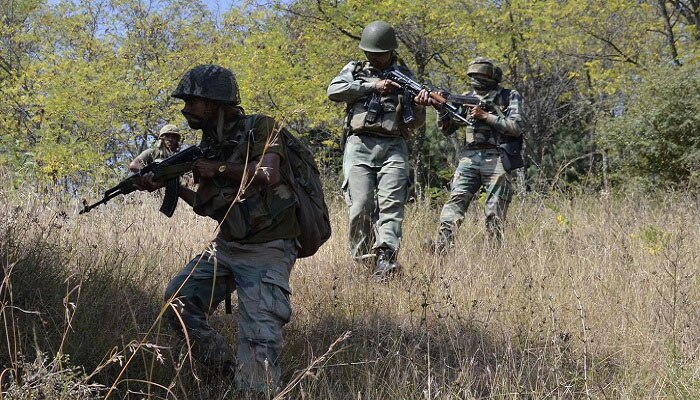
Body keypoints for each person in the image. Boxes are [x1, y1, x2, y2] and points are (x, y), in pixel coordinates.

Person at [136, 64, 300, 395]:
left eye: (191, 102)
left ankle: (253, 390)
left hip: (266, 250)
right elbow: (209, 206)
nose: (184, 109)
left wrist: (220, 168)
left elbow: (268, 174)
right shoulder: (209, 144)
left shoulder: (261, 127)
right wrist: (169, 185)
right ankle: (223, 370)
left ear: (214, 102)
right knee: (178, 302)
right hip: (226, 246)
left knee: (258, 341)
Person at [327, 20, 426, 282]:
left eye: (378, 52)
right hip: (359, 144)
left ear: (390, 51)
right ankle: (364, 262)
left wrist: (419, 105)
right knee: (360, 205)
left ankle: (386, 258)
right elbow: (334, 91)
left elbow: (415, 124)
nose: (373, 56)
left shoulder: (407, 77)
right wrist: (373, 86)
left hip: (394, 145)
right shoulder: (355, 69)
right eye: (369, 52)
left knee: (391, 205)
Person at [416, 57, 524, 252]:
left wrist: (486, 116)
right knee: (455, 200)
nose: (476, 79)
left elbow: (516, 127)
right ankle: (443, 246)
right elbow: (446, 129)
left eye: (481, 75)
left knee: (495, 210)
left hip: (497, 157)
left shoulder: (508, 96)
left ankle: (493, 253)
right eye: (473, 75)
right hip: (469, 157)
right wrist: (442, 109)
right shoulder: (465, 97)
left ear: (492, 76)